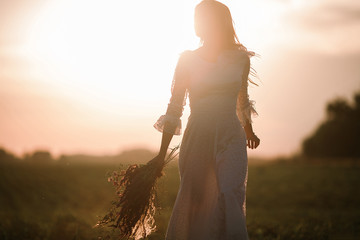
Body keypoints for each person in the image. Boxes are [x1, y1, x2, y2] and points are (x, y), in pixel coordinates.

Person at [153, 0, 260, 239]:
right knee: (197, 197)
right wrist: (161, 154)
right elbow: (174, 108)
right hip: (198, 135)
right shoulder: (188, 60)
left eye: (201, 17)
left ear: (217, 22)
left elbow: (241, 98)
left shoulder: (240, 59)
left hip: (231, 135)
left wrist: (249, 130)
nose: (196, 23)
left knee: (230, 193)